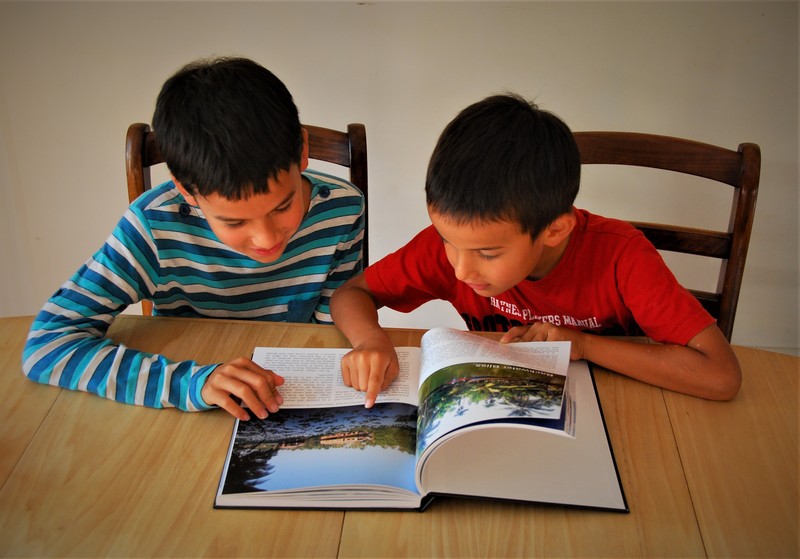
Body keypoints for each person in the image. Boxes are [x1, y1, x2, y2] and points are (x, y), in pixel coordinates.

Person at [331, 93, 741, 408]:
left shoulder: (623, 258)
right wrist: (370, 341)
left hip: (627, 411)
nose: (460, 270)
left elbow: (721, 376)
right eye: (447, 242)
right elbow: (351, 294)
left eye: (488, 254)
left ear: (555, 230)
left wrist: (583, 345)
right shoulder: (453, 248)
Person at [23, 57, 364, 420]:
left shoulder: (341, 210)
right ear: (185, 189)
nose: (265, 239)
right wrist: (192, 383)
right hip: (185, 406)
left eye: (283, 206)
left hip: (287, 397)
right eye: (233, 222)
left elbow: (332, 331)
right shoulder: (152, 228)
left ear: (302, 151)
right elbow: (47, 344)